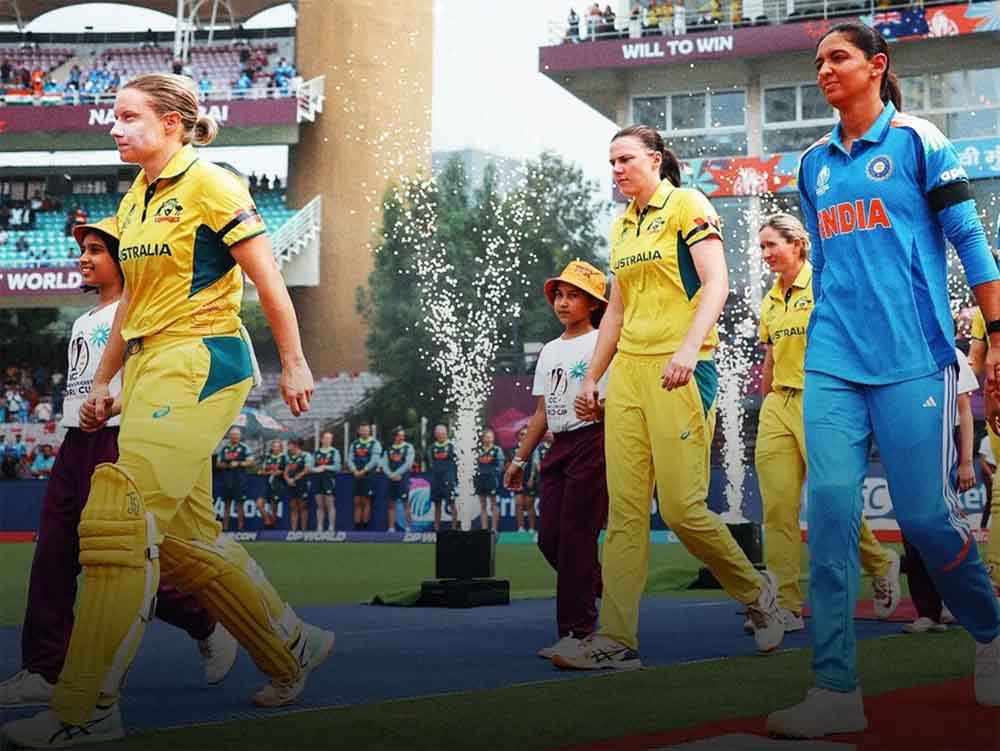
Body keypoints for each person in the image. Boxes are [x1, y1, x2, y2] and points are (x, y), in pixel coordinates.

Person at [2, 74, 334, 749]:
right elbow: (131, 302)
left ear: (173, 123)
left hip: (203, 359)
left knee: (117, 516)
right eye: (114, 116)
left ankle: (87, 708)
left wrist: (295, 361)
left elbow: (267, 276)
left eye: (129, 116)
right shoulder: (136, 196)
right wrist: (104, 380)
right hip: (151, 366)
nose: (114, 127)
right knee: (184, 544)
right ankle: (290, 645)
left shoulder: (213, 184)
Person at [766, 23, 1000, 738]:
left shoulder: (919, 142)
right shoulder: (811, 164)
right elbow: (830, 264)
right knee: (830, 511)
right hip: (832, 359)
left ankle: (992, 632)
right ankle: (835, 686)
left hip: (914, 358)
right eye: (817, 61)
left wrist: (998, 336)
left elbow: (969, 241)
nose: (824, 69)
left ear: (877, 66)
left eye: (837, 57)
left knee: (926, 519)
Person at [562, 124, 785, 673]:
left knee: (683, 511)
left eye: (625, 159)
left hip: (682, 371)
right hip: (630, 376)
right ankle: (616, 639)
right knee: (625, 514)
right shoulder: (621, 225)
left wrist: (688, 349)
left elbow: (716, 284)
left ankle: (757, 593)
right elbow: (616, 310)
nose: (616, 170)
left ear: (655, 160)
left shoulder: (688, 205)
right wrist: (593, 378)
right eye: (611, 162)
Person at [0, 217, 235, 711]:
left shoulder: (143, 313)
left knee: (119, 560)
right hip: (75, 441)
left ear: (123, 259)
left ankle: (206, 622)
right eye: (83, 249)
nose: (83, 258)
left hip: (121, 439)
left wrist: (115, 408)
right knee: (52, 555)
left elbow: (155, 376)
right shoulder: (84, 321)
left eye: (95, 250)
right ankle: (45, 670)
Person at [753, 213, 901, 635]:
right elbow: (770, 358)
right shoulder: (770, 299)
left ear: (798, 244)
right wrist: (767, 404)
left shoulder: (825, 284)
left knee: (832, 501)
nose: (765, 254)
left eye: (772, 245)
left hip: (823, 401)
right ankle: (785, 605)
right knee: (778, 509)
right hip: (778, 406)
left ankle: (880, 563)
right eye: (761, 247)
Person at [504, 260, 610, 661]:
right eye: (559, 296)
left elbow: (618, 399)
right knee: (549, 538)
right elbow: (541, 412)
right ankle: (601, 586)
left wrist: (602, 411)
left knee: (576, 538)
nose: (563, 303)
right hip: (559, 446)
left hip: (594, 441)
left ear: (594, 304)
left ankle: (578, 632)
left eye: (574, 296)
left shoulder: (605, 342)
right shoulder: (549, 350)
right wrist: (519, 460)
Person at [900, 344, 974, 633]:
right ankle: (928, 611)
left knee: (945, 527)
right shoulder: (899, 352)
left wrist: (966, 462)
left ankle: (957, 602)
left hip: (945, 445)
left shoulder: (952, 355)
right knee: (912, 531)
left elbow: (964, 411)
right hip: (906, 444)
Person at [969, 305, 1000, 593]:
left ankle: (995, 573)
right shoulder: (983, 311)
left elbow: (975, 363)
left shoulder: (984, 308)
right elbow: (976, 362)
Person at [215, 427, 252, 532]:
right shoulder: (224, 448)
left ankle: (241, 528)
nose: (235, 437)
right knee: (226, 504)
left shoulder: (245, 448)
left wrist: (238, 463)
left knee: (240, 504)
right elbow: (218, 464)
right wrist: (227, 465)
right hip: (227, 480)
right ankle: (225, 527)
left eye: (237, 435)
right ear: (229, 436)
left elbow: (251, 462)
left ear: (240, 436)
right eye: (233, 435)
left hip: (240, 480)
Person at [347, 423, 382, 530]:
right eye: (362, 430)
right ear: (359, 431)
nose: (364, 432)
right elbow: (350, 459)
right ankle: (357, 526)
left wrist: (364, 470)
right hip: (356, 475)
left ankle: (365, 526)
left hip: (368, 475)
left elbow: (375, 460)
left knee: (366, 501)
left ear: (369, 431)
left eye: (366, 430)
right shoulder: (354, 444)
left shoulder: (375, 443)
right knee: (357, 501)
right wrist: (354, 470)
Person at [382, 427, 415, 533]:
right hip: (391, 480)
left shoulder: (408, 447)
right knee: (391, 504)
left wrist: (396, 474)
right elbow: (384, 464)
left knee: (406, 503)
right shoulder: (388, 449)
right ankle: (391, 528)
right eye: (399, 435)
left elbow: (408, 464)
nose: (402, 437)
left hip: (403, 479)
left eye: (403, 435)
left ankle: (408, 527)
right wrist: (390, 475)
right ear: (394, 437)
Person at [426, 424, 458, 531]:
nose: (441, 435)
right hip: (436, 480)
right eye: (438, 433)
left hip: (448, 480)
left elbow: (457, 463)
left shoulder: (452, 446)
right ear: (435, 435)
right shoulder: (432, 448)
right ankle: (436, 528)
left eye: (443, 433)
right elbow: (430, 463)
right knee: (437, 504)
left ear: (446, 434)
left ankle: (454, 528)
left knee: (452, 504)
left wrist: (454, 478)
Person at [473, 429, 504, 532]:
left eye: (490, 437)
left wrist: (493, 474)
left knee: (494, 504)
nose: (488, 439)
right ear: (483, 438)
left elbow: (500, 466)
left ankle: (494, 528)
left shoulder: (497, 450)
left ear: (493, 438)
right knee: (483, 504)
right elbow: (474, 464)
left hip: (492, 480)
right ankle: (484, 529)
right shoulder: (478, 450)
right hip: (480, 480)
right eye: (486, 437)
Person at [509, 426, 538, 534]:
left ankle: (532, 528)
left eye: (526, 434)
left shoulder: (533, 447)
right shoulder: (513, 450)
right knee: (518, 504)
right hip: (517, 481)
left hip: (529, 479)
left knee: (529, 504)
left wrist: (531, 478)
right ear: (518, 436)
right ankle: (520, 528)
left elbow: (535, 464)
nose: (524, 436)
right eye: (522, 434)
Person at [311, 431, 341, 532]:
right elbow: (310, 467)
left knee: (330, 504)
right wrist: (315, 469)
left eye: (330, 438)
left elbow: (337, 467)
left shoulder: (335, 452)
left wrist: (325, 467)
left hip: (328, 480)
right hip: (317, 480)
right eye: (326, 438)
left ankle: (331, 527)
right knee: (320, 505)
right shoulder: (316, 453)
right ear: (322, 439)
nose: (328, 440)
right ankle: (319, 527)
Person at [282, 438, 312, 532]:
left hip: (302, 484)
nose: (288, 447)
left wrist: (294, 479)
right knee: (293, 506)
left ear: (296, 446)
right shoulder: (290, 457)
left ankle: (303, 530)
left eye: (289, 445)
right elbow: (286, 471)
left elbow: (307, 470)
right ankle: (293, 530)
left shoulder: (306, 455)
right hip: (291, 485)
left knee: (303, 506)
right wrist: (287, 479)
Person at [255, 438, 285, 528]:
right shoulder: (267, 457)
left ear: (281, 448)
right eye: (274, 446)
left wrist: (272, 472)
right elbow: (261, 471)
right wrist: (266, 472)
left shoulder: (283, 457)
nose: (275, 448)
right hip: (266, 484)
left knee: (274, 508)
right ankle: (267, 520)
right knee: (259, 504)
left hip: (277, 484)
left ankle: (272, 527)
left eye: (277, 446)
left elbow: (281, 471)